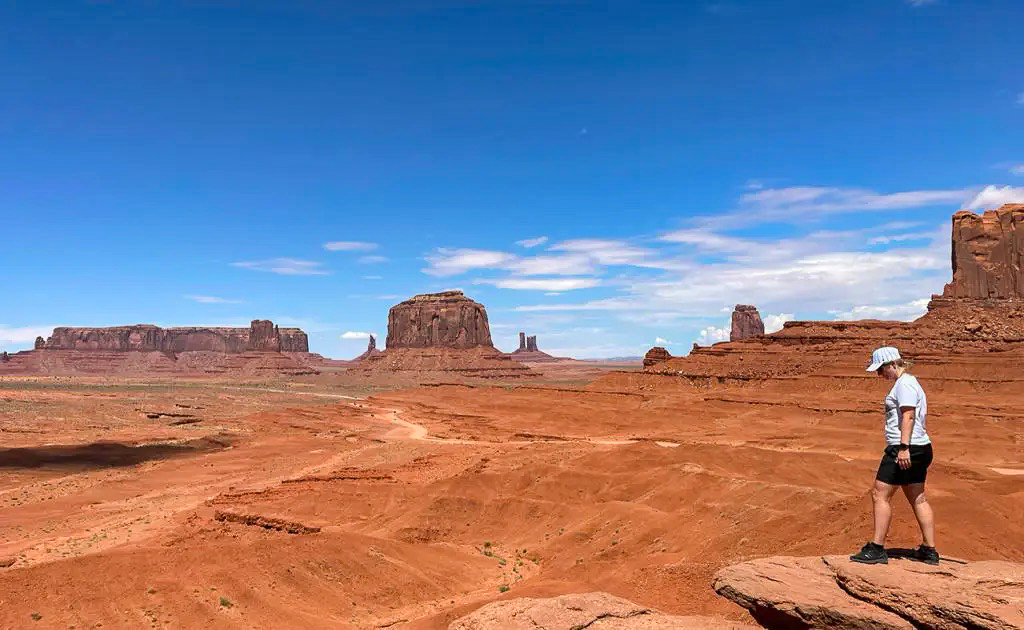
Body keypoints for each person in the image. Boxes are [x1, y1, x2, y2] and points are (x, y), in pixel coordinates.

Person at [850, 346, 939, 565]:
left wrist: (903, 448)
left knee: (880, 494)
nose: (880, 375)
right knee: (917, 496)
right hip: (920, 447)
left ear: (893, 364)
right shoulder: (908, 382)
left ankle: (877, 548)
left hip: (905, 447)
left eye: (881, 369)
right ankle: (929, 550)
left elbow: (908, 416)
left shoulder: (904, 384)